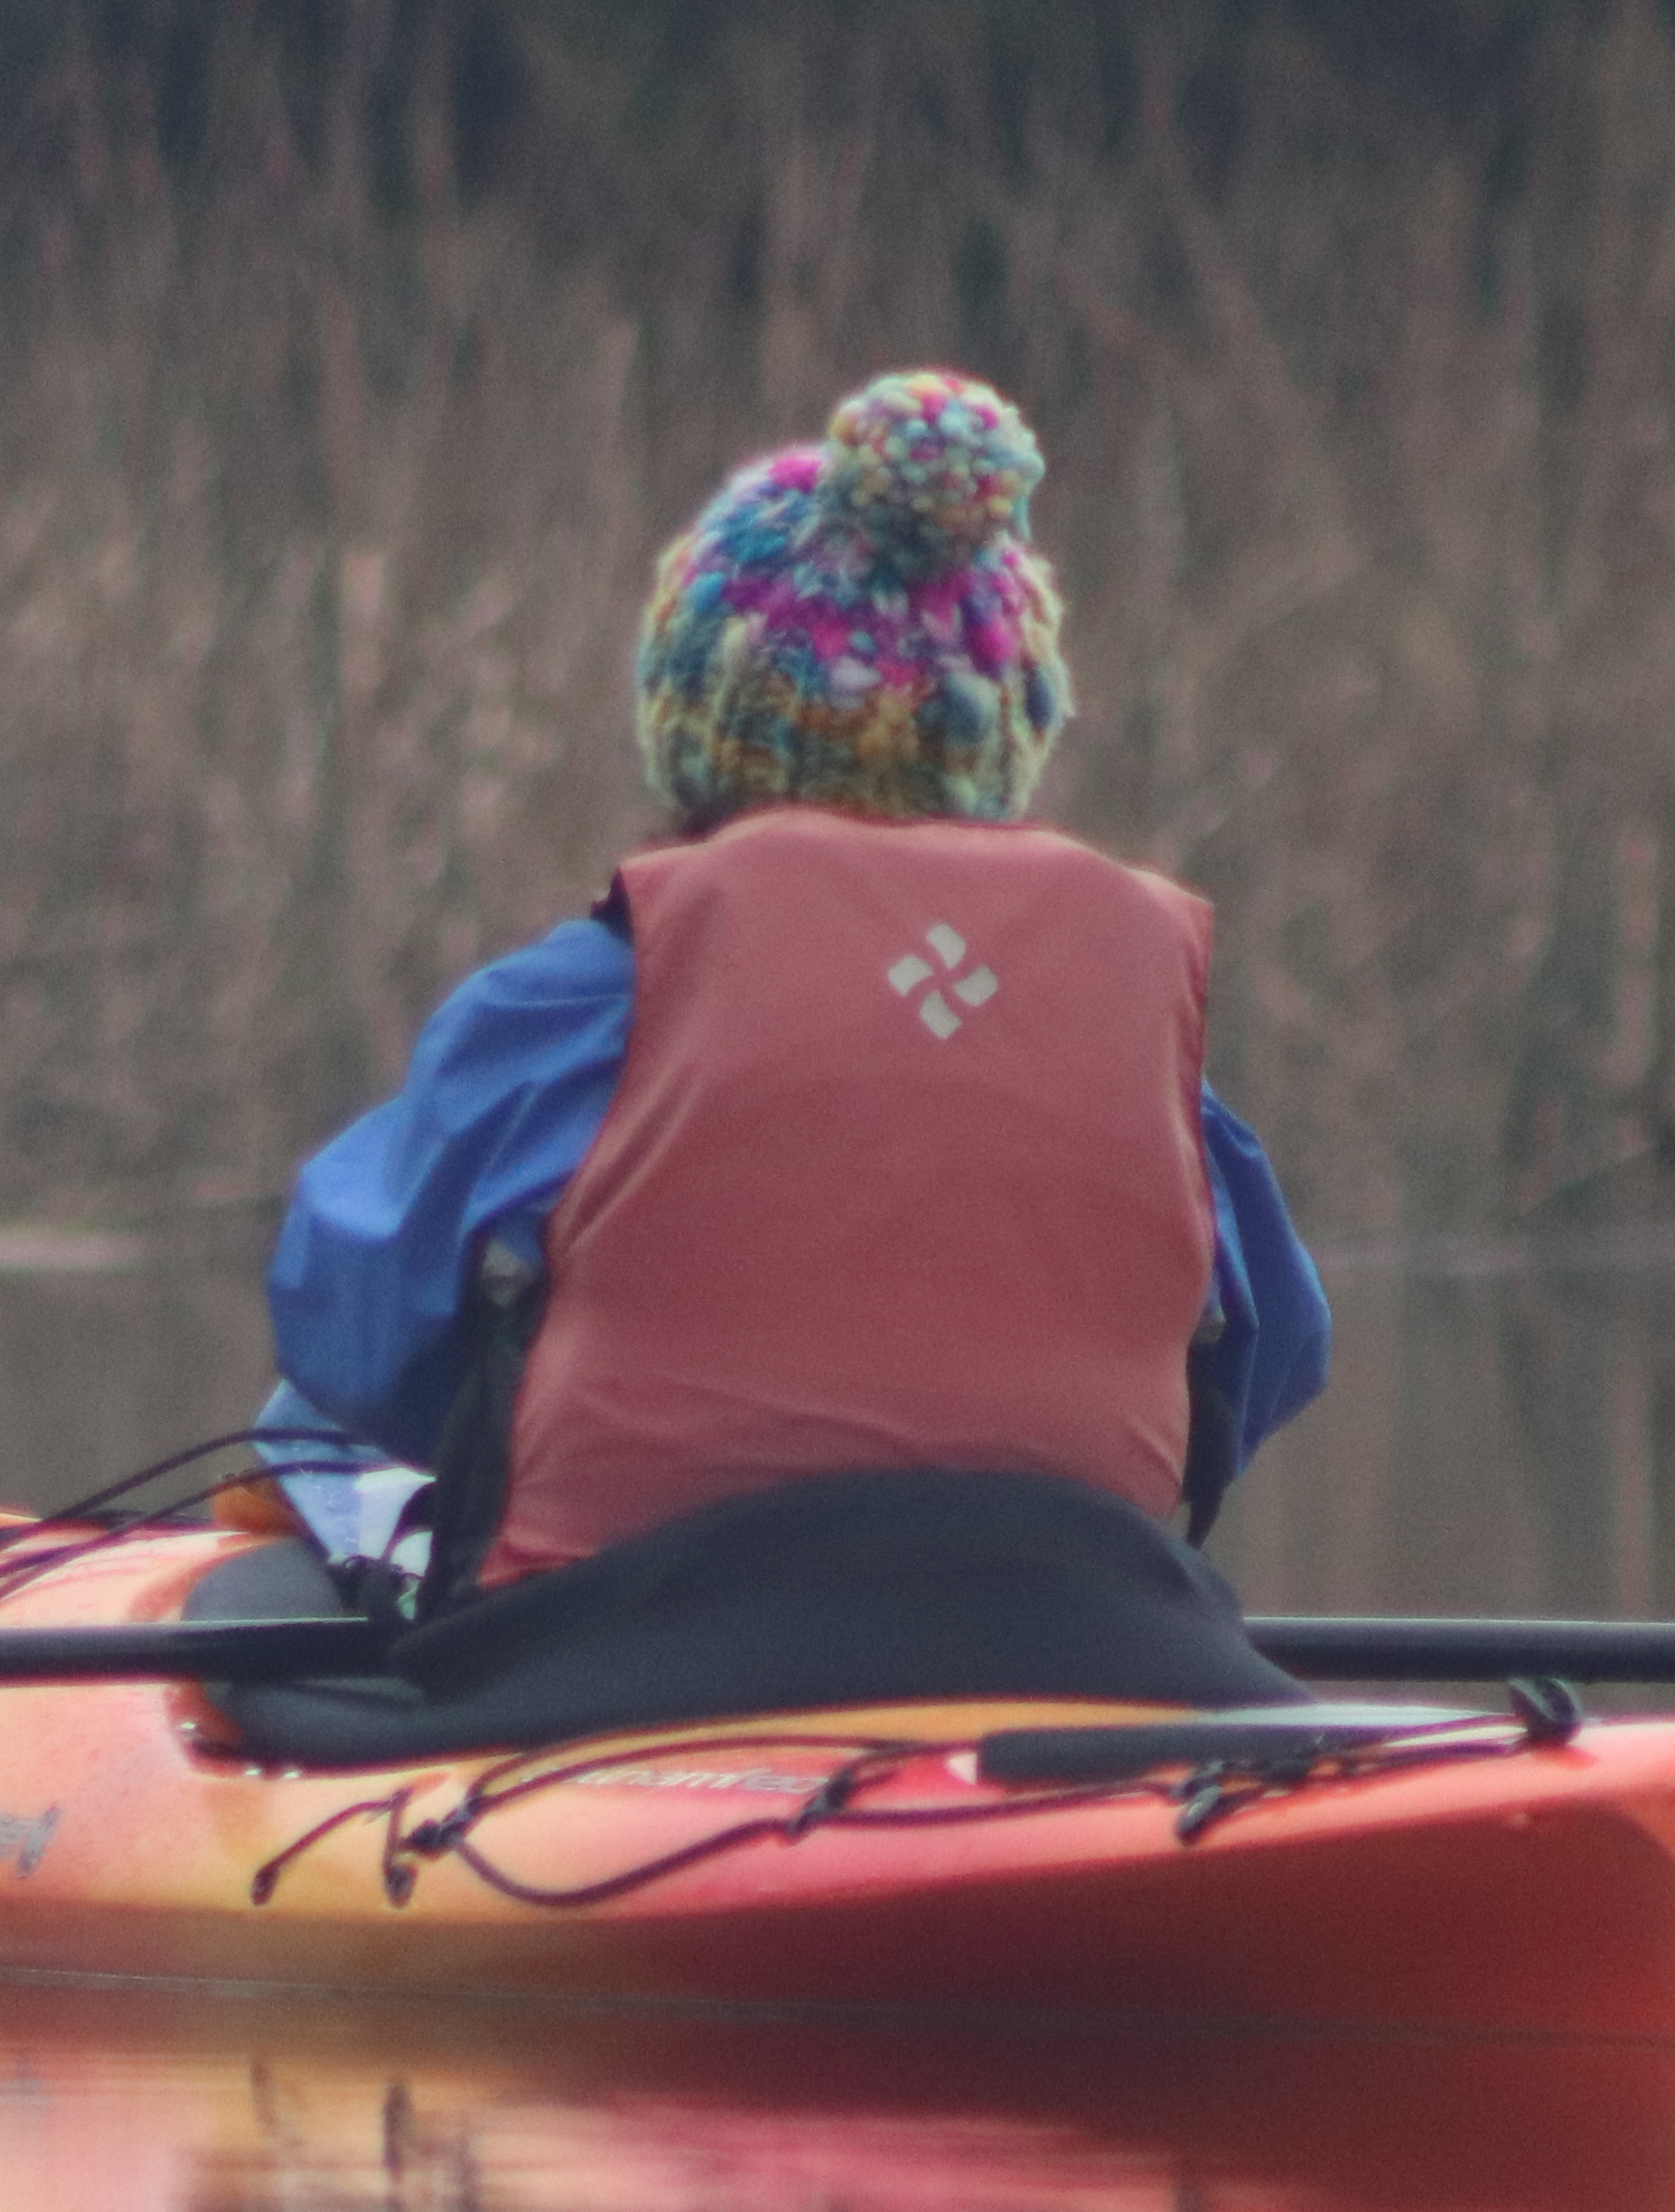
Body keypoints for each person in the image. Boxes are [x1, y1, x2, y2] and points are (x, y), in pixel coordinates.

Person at [262, 372, 1326, 1605]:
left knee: (306, 1426)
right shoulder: (1133, 1046)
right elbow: (1270, 1359)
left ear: (696, 727)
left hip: (615, 1647)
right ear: (1005, 740)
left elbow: (356, 1329)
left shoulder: (572, 1009)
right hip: (1071, 1628)